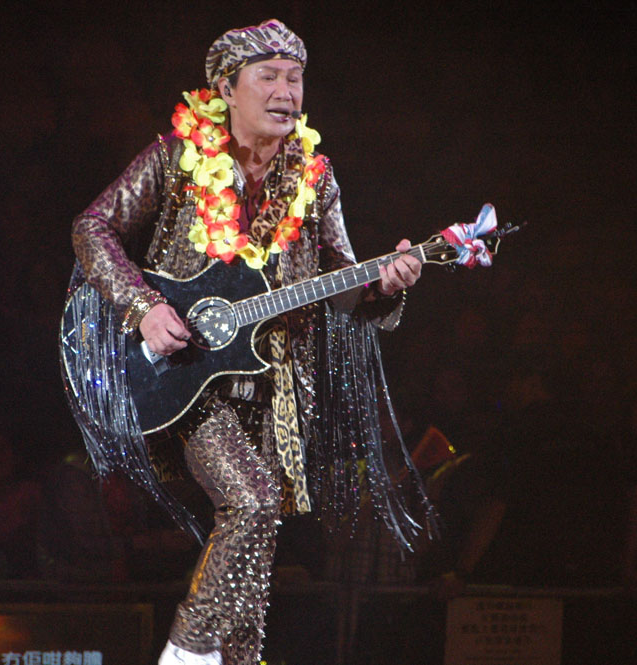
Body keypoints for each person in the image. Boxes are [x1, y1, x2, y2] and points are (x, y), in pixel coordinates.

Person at [64, 20, 432, 665]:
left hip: (275, 385)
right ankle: (186, 653)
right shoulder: (175, 159)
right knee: (253, 502)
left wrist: (385, 284)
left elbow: (343, 284)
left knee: (255, 559)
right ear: (226, 89)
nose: (286, 92)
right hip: (187, 373)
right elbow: (92, 228)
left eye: (295, 78)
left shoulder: (315, 177)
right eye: (269, 77)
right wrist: (144, 308)